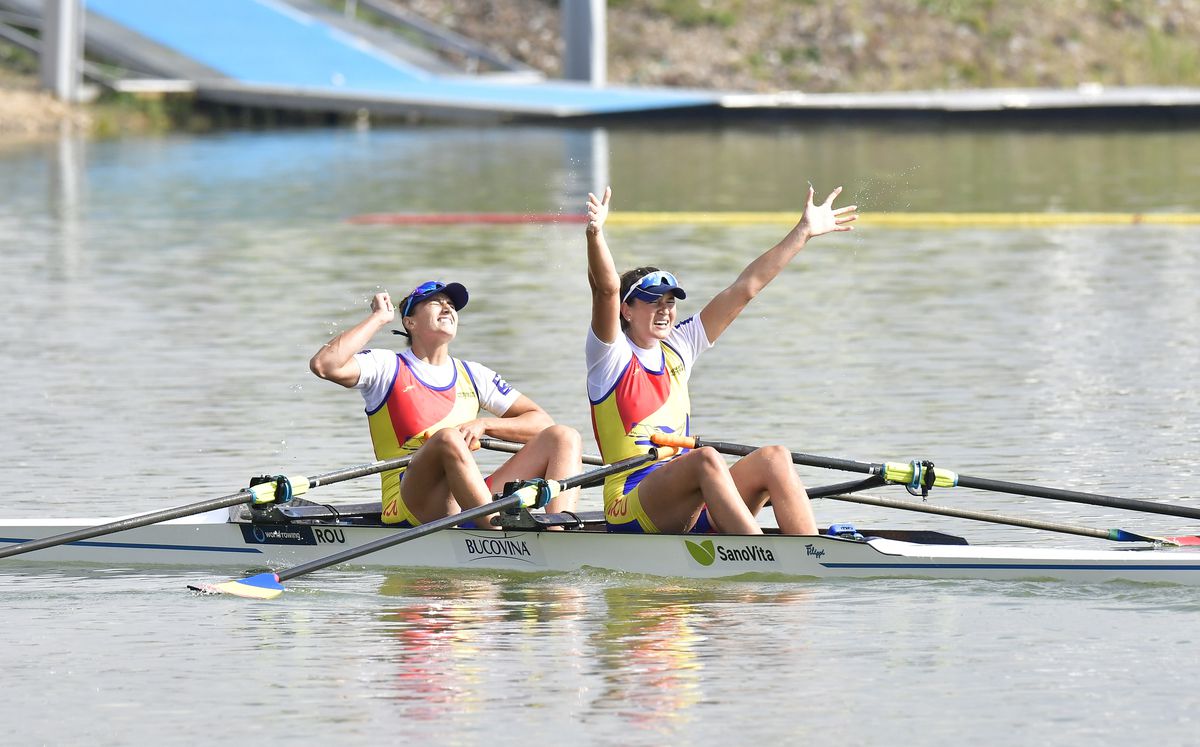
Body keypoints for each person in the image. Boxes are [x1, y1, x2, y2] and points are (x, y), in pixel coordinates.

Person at [584, 185, 857, 535]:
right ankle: (760, 554)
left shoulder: (679, 346)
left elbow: (746, 288)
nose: (665, 310)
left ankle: (811, 551)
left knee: (775, 457)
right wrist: (595, 234)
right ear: (626, 310)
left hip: (687, 497)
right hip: (631, 504)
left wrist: (802, 233)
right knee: (707, 458)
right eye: (654, 302)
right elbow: (605, 289)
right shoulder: (609, 356)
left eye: (670, 301)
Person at [310, 280, 582, 528]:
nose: (447, 308)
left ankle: (559, 529)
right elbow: (324, 365)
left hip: (464, 499)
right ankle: (495, 529)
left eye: (451, 305)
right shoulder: (386, 366)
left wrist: (484, 424)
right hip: (408, 501)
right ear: (410, 322)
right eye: (435, 302)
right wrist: (379, 318)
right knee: (448, 438)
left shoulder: (474, 374)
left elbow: (541, 423)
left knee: (563, 436)